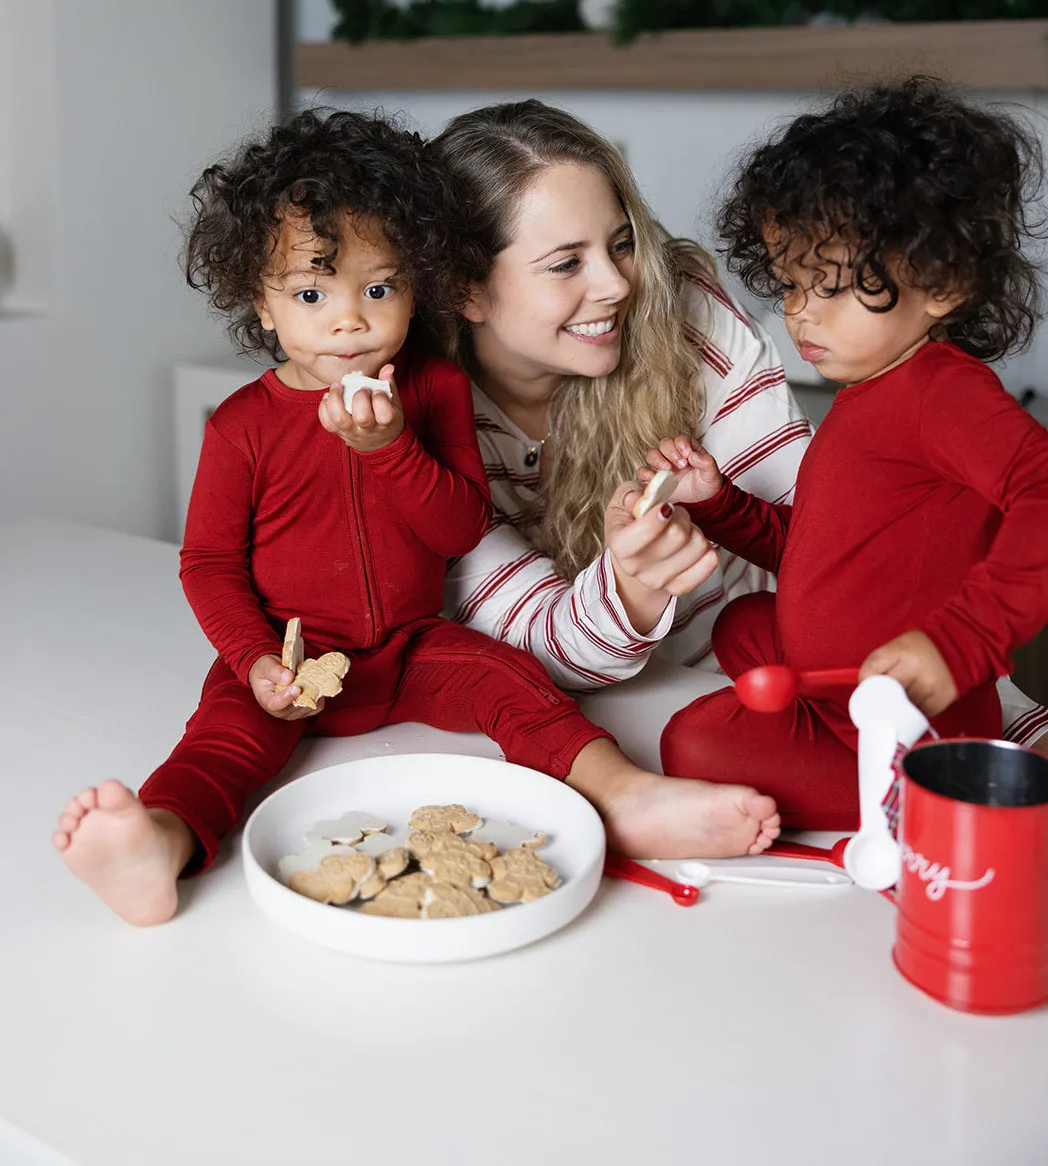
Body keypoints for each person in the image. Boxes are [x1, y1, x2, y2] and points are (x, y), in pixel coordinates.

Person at [53, 110, 779, 926]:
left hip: (413, 644)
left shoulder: (433, 390)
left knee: (520, 690)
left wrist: (391, 446)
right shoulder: (240, 426)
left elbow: (460, 528)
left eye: (378, 288)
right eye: (308, 294)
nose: (348, 319)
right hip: (290, 656)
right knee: (220, 741)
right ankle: (159, 842)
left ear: (415, 285)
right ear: (259, 304)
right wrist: (257, 660)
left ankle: (624, 797)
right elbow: (208, 565)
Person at [427, 99, 1048, 779]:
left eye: (621, 244)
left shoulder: (915, 386)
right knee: (739, 643)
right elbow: (817, 549)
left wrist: (978, 668)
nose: (617, 284)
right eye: (565, 264)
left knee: (708, 733)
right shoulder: (415, 415)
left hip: (860, 696)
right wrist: (680, 540)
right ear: (464, 288)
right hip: (637, 692)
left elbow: (887, 564)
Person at [652, 78, 1048, 826]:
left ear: (941, 281)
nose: (800, 313)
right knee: (745, 626)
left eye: (831, 288)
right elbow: (822, 559)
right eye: (789, 285)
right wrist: (715, 504)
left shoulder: (939, 392)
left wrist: (963, 641)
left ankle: (928, 794)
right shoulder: (866, 392)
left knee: (692, 744)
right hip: (847, 686)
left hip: (901, 722)